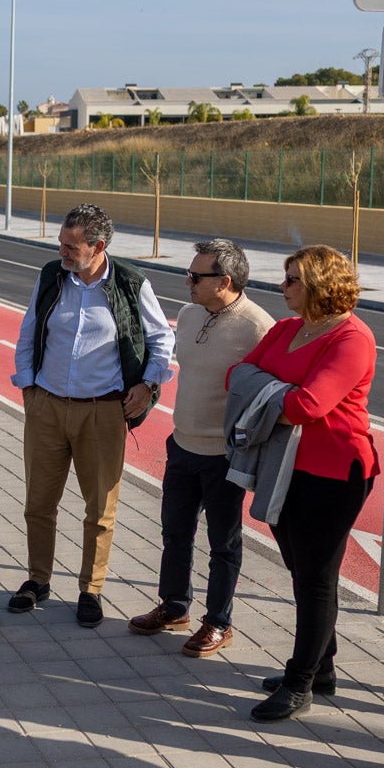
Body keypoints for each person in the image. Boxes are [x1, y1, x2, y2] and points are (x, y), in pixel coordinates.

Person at [9, 205, 176, 626]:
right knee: (38, 503)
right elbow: (30, 330)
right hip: (46, 407)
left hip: (102, 413)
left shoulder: (131, 283)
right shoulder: (51, 276)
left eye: (71, 245)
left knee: (99, 508)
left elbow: (161, 341)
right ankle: (38, 580)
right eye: (61, 243)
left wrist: (148, 385)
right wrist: (28, 387)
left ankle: (91, 589)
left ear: (98, 246)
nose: (61, 251)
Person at [240, 245, 378, 722]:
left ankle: (300, 682)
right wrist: (280, 392)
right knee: (302, 570)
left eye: (292, 279)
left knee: (317, 578)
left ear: (320, 284)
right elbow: (235, 376)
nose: (282, 287)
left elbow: (309, 406)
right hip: (285, 466)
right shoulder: (285, 329)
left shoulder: (351, 338)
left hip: (335, 471)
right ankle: (322, 669)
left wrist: (268, 390)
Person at [130, 238, 272, 656]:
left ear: (224, 281)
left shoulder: (258, 327)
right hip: (182, 446)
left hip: (224, 456)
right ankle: (174, 607)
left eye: (196, 276)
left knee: (223, 544)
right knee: (175, 532)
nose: (187, 281)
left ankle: (218, 622)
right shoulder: (190, 315)